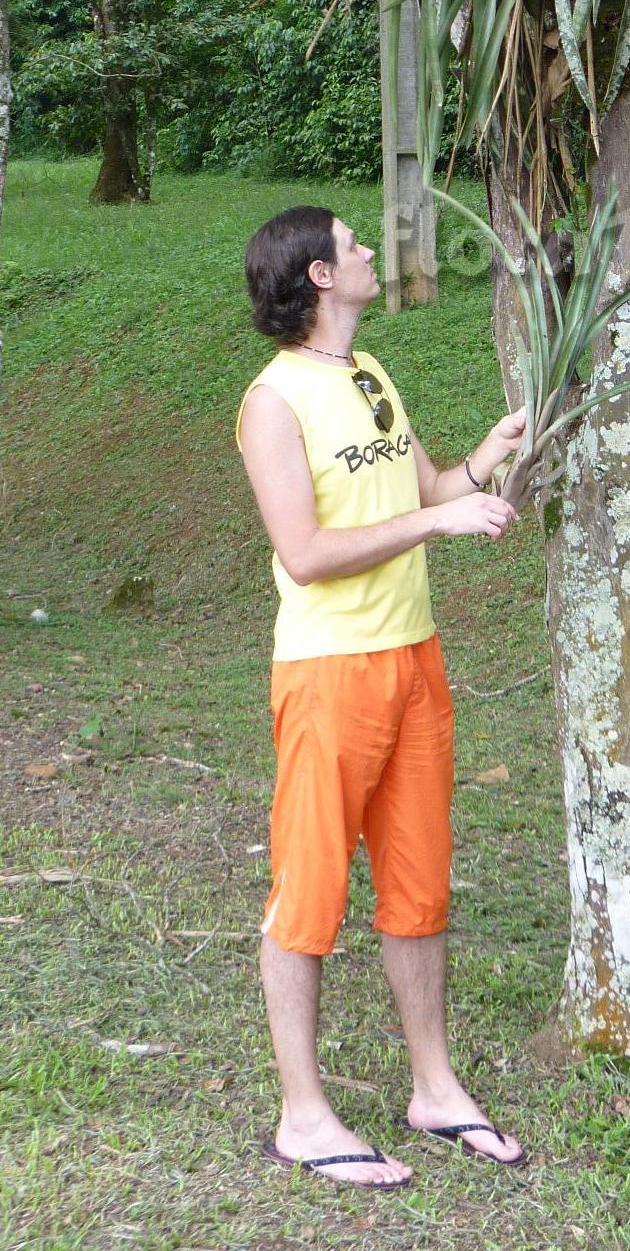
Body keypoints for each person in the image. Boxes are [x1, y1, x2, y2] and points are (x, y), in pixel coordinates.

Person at [236, 204, 527, 1187]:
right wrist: (436, 526)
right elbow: (306, 555)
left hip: (414, 659)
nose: (367, 253)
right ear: (319, 275)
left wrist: (488, 452)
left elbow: (431, 485)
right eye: (353, 244)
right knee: (309, 890)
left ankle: (433, 1086)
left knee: (419, 881)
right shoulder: (272, 401)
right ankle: (303, 1112)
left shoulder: (368, 376)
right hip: (328, 671)